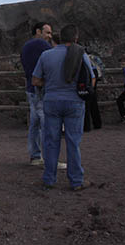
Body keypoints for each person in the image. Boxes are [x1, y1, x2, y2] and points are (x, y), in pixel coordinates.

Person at [32, 24, 95, 191]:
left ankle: (49, 179)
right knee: (73, 141)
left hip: (51, 101)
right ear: (75, 38)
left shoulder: (46, 55)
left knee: (51, 141)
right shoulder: (81, 55)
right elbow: (92, 79)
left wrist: (51, 84)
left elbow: (35, 81)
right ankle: (76, 181)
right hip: (74, 102)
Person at [21, 22, 68, 169]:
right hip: (41, 89)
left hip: (30, 88)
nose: (50, 36)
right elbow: (56, 60)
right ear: (38, 31)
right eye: (47, 32)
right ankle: (51, 159)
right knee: (47, 123)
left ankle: (35, 156)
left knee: (34, 124)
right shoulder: (41, 45)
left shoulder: (25, 47)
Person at [84, 53, 103, 131]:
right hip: (94, 76)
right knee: (93, 102)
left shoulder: (82, 56)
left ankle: (86, 126)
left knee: (86, 104)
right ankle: (97, 123)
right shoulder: (92, 58)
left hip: (89, 77)